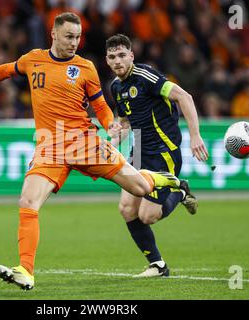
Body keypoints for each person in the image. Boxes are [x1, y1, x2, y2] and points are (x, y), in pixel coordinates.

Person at [0, 13, 182, 290]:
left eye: (77, 37)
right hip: (49, 146)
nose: (74, 42)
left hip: (83, 143)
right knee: (28, 202)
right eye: (69, 37)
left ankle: (168, 181)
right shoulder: (33, 59)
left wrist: (111, 125)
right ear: (53, 34)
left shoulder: (85, 67)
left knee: (138, 188)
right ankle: (25, 271)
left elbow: (99, 106)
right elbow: (4, 70)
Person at [105, 34, 209, 277]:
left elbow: (184, 97)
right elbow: (124, 122)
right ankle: (158, 266)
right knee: (126, 209)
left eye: (122, 55)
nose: (117, 61)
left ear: (131, 56)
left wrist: (195, 136)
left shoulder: (146, 76)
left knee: (147, 215)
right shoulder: (116, 87)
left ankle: (180, 190)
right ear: (107, 60)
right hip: (139, 150)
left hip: (163, 150)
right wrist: (113, 136)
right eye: (112, 57)